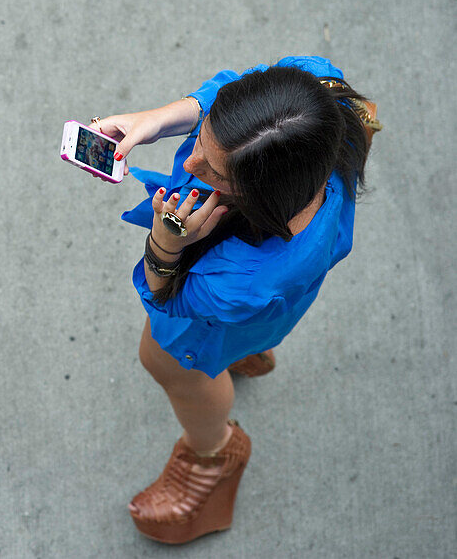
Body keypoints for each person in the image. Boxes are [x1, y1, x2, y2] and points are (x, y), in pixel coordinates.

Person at [88, 56, 379, 545]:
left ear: (262, 194)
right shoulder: (317, 103)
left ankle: (214, 453)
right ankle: (245, 351)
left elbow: (166, 298)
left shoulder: (237, 280)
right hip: (271, 303)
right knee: (244, 331)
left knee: (168, 363)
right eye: (203, 137)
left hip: (226, 305)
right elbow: (231, 91)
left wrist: (167, 242)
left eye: (215, 174)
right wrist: (154, 121)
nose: (189, 165)